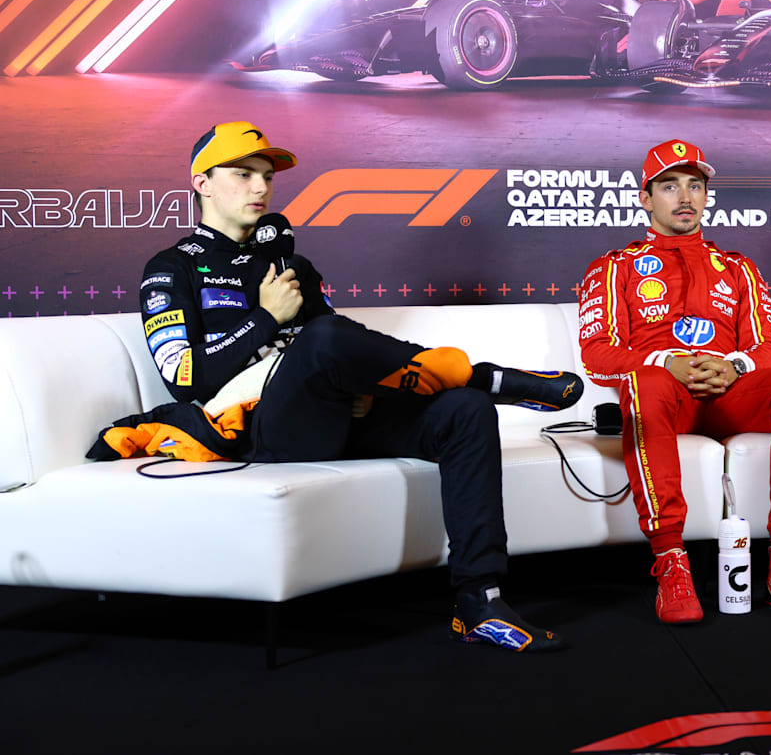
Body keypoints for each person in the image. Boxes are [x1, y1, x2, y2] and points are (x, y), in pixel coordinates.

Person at [136, 122, 582, 652]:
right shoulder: (171, 268)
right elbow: (185, 380)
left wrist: (369, 384)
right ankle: (489, 376)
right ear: (201, 183)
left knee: (464, 411)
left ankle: (479, 600)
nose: (260, 188)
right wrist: (264, 316)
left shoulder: (292, 265)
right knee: (326, 336)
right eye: (242, 174)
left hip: (339, 414)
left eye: (266, 176)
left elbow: (340, 353)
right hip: (263, 428)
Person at [578, 139, 771, 624]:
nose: (685, 197)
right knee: (643, 384)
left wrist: (734, 366)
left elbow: (768, 349)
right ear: (646, 198)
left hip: (730, 396)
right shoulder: (613, 268)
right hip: (664, 398)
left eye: (695, 186)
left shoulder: (737, 267)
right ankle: (671, 561)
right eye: (670, 186)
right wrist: (664, 362)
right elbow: (597, 356)